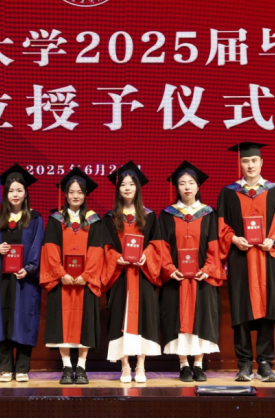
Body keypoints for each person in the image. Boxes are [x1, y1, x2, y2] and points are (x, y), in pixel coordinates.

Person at [217, 142, 275, 383]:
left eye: (254, 161)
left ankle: (265, 364)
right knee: (241, 310)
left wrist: (274, 239)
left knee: (267, 310)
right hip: (240, 258)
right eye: (245, 161)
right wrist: (233, 239)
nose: (250, 165)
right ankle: (243, 364)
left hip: (266, 257)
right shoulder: (229, 192)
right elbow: (221, 224)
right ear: (240, 164)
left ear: (261, 162)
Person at [158, 162, 222, 383]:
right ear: (176, 187)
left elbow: (215, 245)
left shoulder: (209, 214)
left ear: (198, 186)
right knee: (177, 320)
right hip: (176, 279)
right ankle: (184, 365)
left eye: (191, 183)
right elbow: (161, 247)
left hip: (201, 278)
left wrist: (208, 269)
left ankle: (199, 365)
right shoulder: (167, 215)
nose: (187, 187)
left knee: (202, 319)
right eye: (182, 183)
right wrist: (170, 269)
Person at [40, 167, 105, 385]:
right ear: (65, 194)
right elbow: (50, 249)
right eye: (71, 192)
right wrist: (60, 273)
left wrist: (87, 275)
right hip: (62, 282)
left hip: (85, 282)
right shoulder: (55, 219)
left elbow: (97, 251)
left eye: (79, 192)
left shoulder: (94, 220)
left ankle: (82, 367)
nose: (75, 196)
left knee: (85, 323)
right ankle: (67, 367)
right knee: (62, 324)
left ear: (85, 194)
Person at [100, 161, 163, 384]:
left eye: (131, 184)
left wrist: (146, 255)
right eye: (123, 184)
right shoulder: (109, 218)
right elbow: (105, 247)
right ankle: (125, 366)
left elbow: (157, 244)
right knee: (120, 318)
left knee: (144, 317)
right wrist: (116, 258)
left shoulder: (150, 216)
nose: (127, 188)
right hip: (120, 276)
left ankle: (141, 365)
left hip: (143, 276)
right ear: (118, 189)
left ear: (138, 187)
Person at [0, 164, 45, 383]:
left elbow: (37, 246)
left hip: (26, 279)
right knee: (5, 319)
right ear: (5, 194)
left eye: (19, 190)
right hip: (3, 278)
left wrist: (29, 268)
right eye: (11, 191)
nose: (15, 194)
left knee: (26, 320)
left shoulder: (35, 219)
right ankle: (5, 367)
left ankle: (23, 368)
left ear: (26, 193)